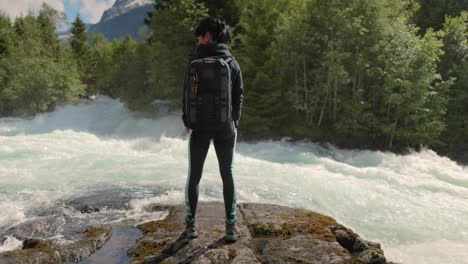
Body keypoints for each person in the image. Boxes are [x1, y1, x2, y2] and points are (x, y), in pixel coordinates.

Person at [182, 17, 244, 242]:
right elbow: (238, 94)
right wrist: (234, 121)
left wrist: (187, 121)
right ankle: (230, 226)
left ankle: (190, 226)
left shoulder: (194, 61)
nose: (197, 41)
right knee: (227, 173)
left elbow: (186, 94)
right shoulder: (231, 61)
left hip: (199, 127)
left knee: (195, 175)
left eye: (199, 36)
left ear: (208, 35)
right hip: (224, 127)